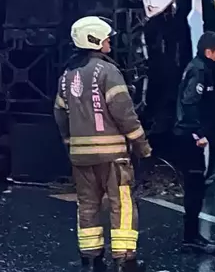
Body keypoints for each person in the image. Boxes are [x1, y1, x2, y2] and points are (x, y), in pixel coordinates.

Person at [54, 16, 151, 272]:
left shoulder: (67, 75)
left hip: (80, 158)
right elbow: (124, 112)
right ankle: (124, 259)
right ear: (94, 39)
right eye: (106, 37)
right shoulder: (108, 71)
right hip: (112, 156)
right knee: (122, 203)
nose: (109, 41)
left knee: (87, 205)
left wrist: (70, 142)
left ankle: (91, 258)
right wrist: (141, 144)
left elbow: (60, 113)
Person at [173, 31, 215, 254]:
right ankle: (190, 237)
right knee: (195, 187)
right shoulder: (199, 70)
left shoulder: (206, 70)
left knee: (198, 188)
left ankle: (192, 235)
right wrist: (198, 134)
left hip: (199, 136)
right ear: (208, 51)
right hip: (195, 140)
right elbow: (190, 103)